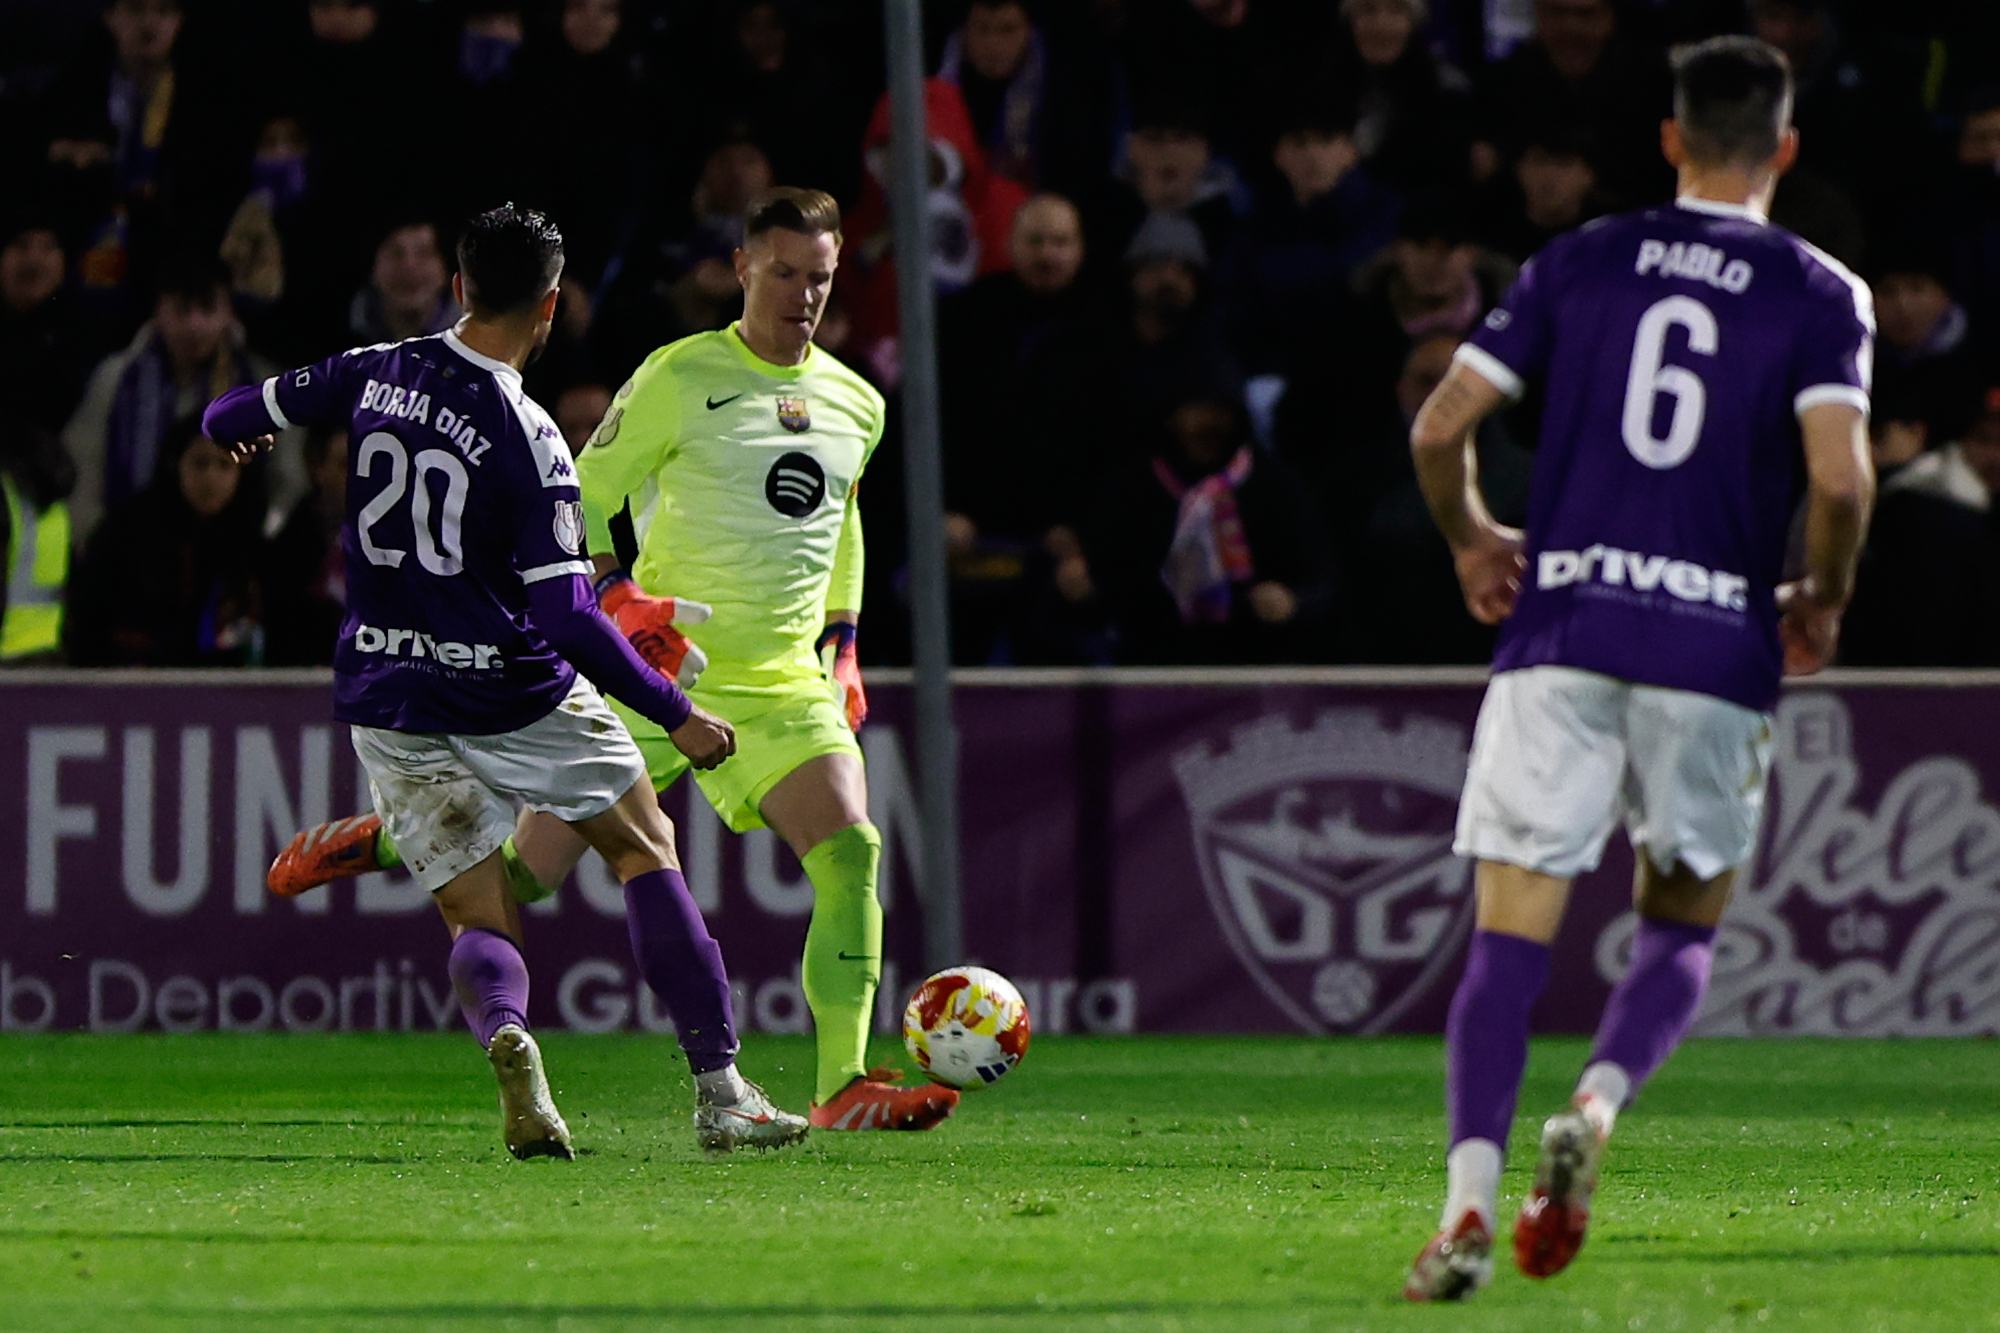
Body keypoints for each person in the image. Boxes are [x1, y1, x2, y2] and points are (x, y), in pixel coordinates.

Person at [265, 190, 959, 1135]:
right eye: (786, 272)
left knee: (851, 848)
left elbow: (841, 516)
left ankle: (840, 1083)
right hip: (662, 663)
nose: (803, 295)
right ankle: (384, 838)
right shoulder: (679, 376)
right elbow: (579, 506)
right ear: (745, 267)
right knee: (532, 877)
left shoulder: (858, 400)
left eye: (821, 278)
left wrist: (841, 641)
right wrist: (626, 605)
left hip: (784, 680)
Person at [1400, 36, 1874, 1300]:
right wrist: (1817, 598)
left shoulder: (1580, 259)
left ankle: (1460, 1213)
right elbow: (1837, 477)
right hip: (1713, 646)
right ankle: (1596, 1110)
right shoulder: (1821, 292)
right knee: (1677, 924)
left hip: (1559, 629)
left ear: (1668, 139)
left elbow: (1440, 423)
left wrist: (1468, 543)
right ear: (1779, 148)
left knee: (1507, 942)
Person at [200, 204, 805, 1159]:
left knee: (477, 910)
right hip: (512, 687)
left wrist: (239, 430)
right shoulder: (528, 435)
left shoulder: (374, 370)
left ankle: (511, 1038)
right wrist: (675, 714)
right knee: (644, 843)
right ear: (552, 307)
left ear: (458, 287)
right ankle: (721, 1091)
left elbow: (231, 411)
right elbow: (566, 616)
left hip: (389, 689)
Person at [64, 415, 262, 667]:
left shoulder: (247, 541)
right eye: (200, 464)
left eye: (224, 465)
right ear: (175, 464)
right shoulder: (128, 531)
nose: (211, 478)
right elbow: (90, 619)